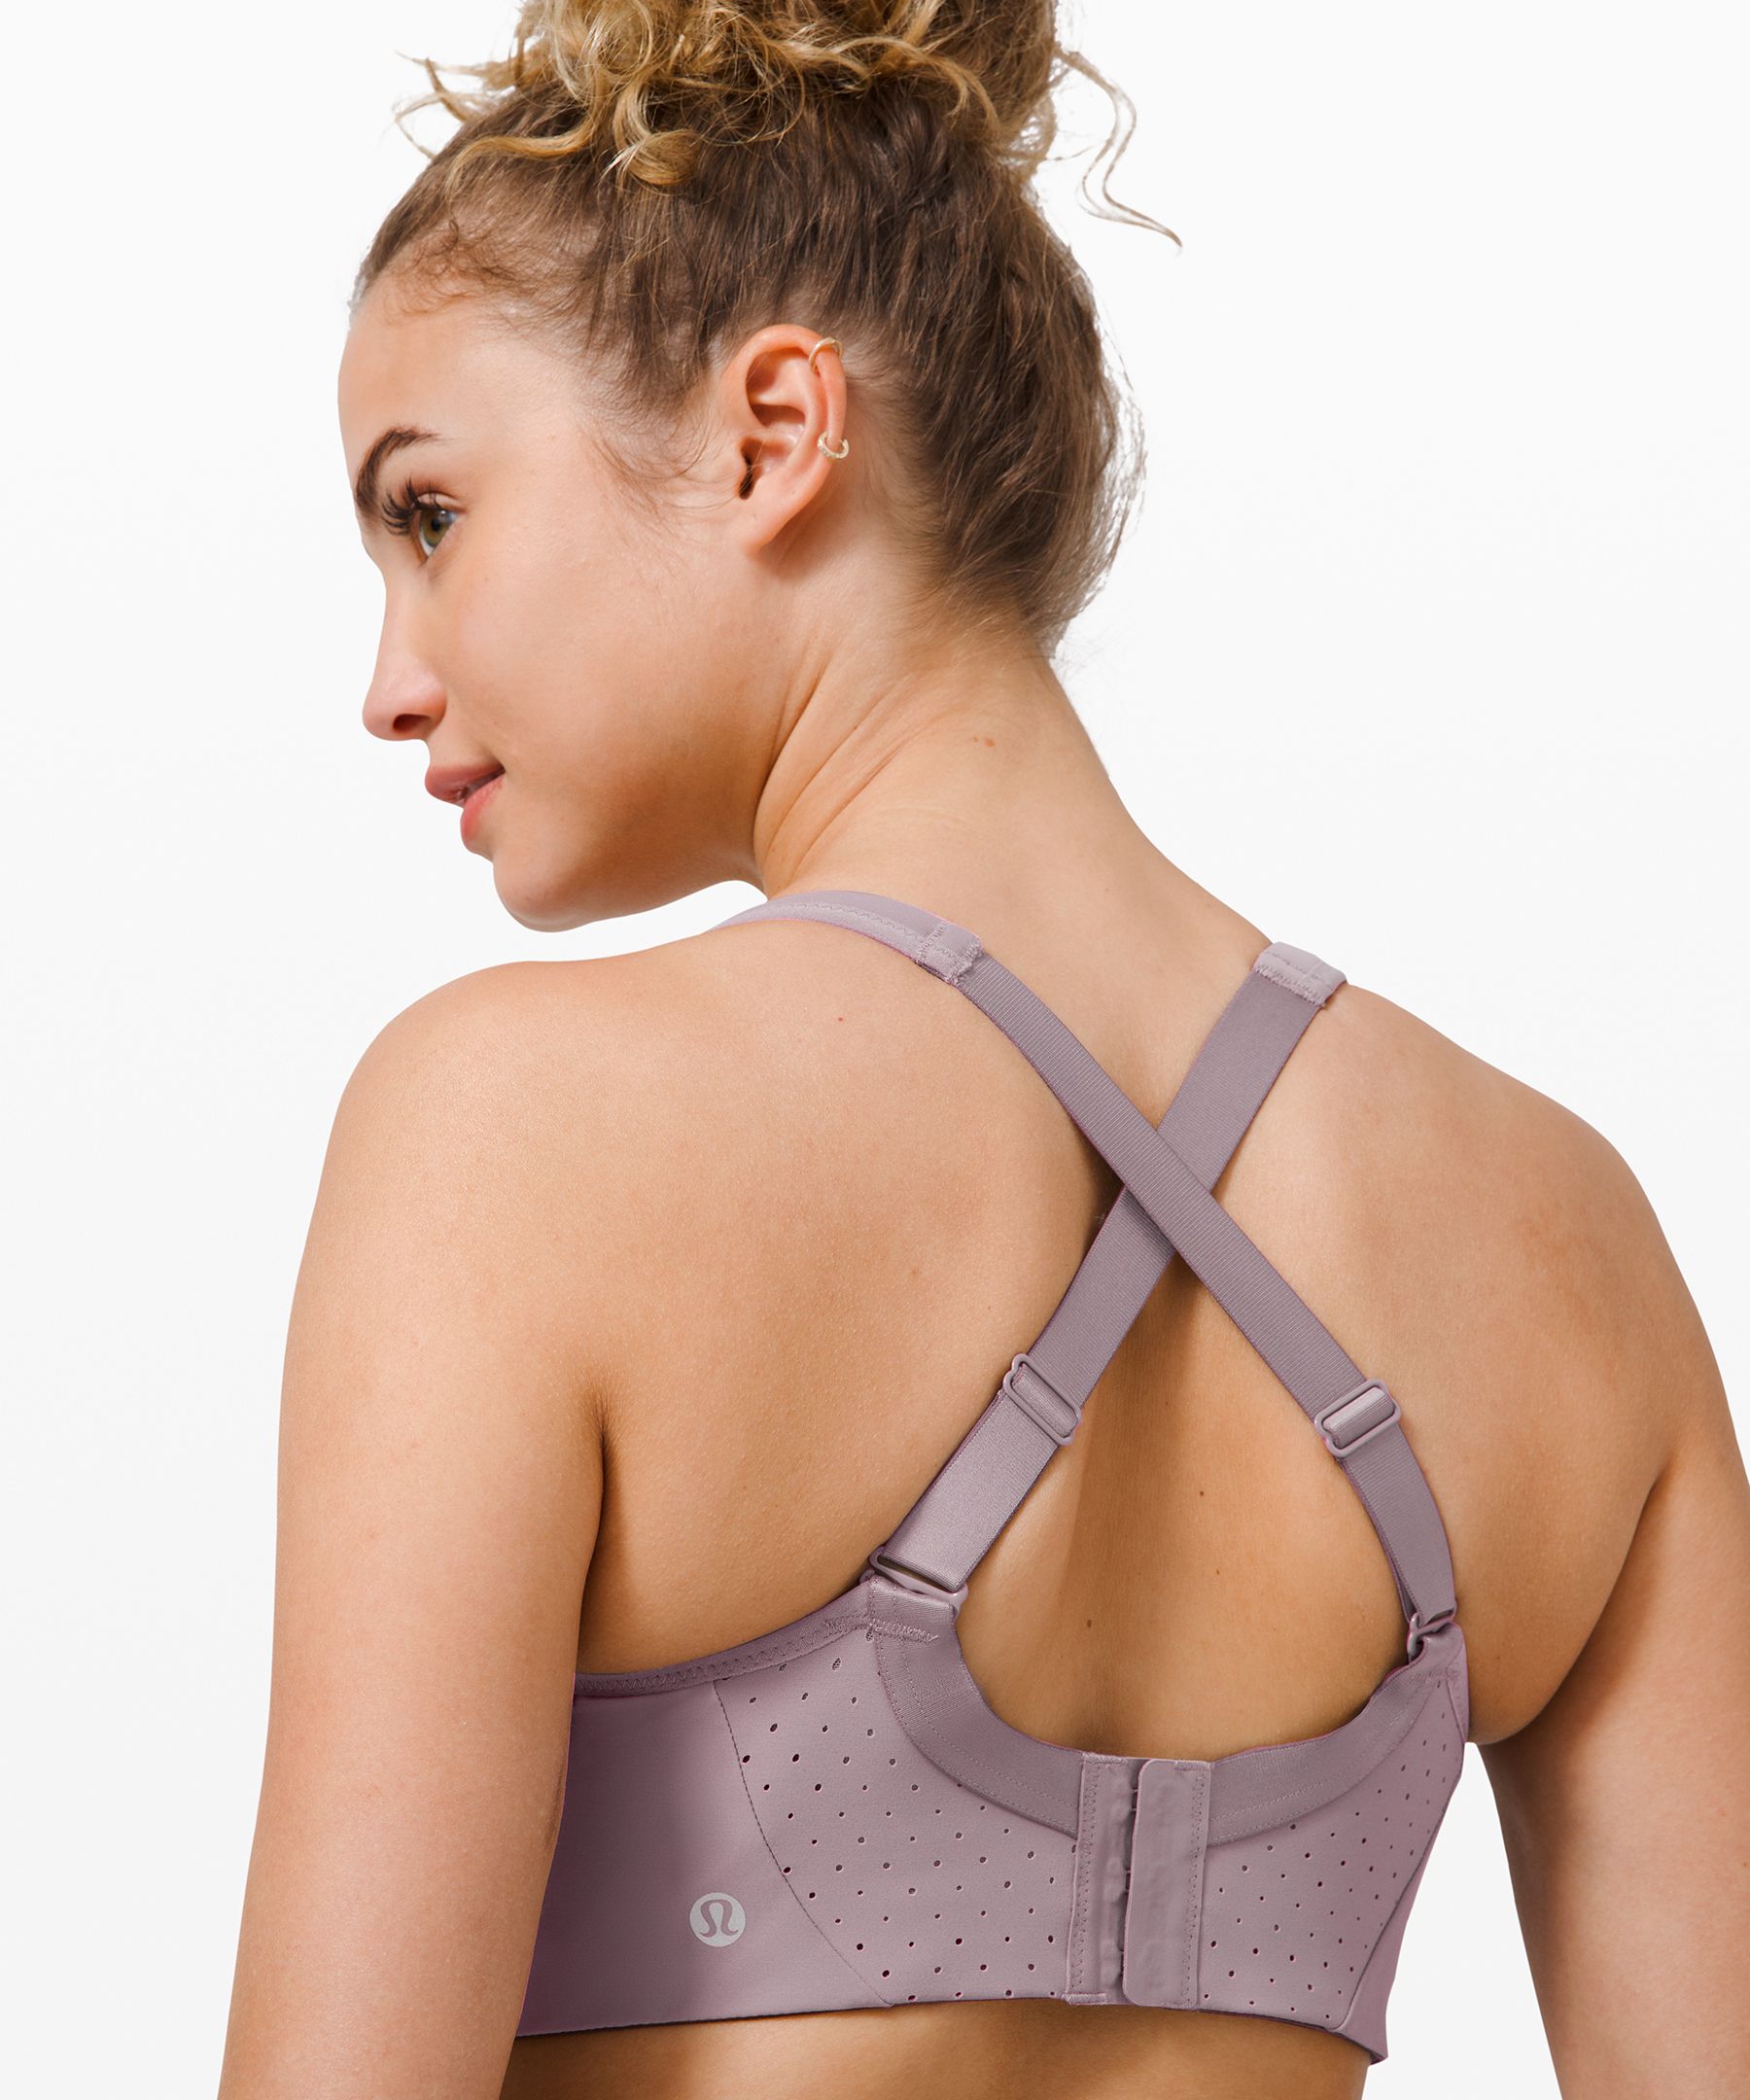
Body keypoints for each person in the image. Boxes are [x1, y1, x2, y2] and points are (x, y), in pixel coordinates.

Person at [218, 3, 1750, 2095]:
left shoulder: (511, 1132)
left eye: (429, 515)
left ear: (773, 433)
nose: (391, 680)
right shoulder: (1565, 1240)